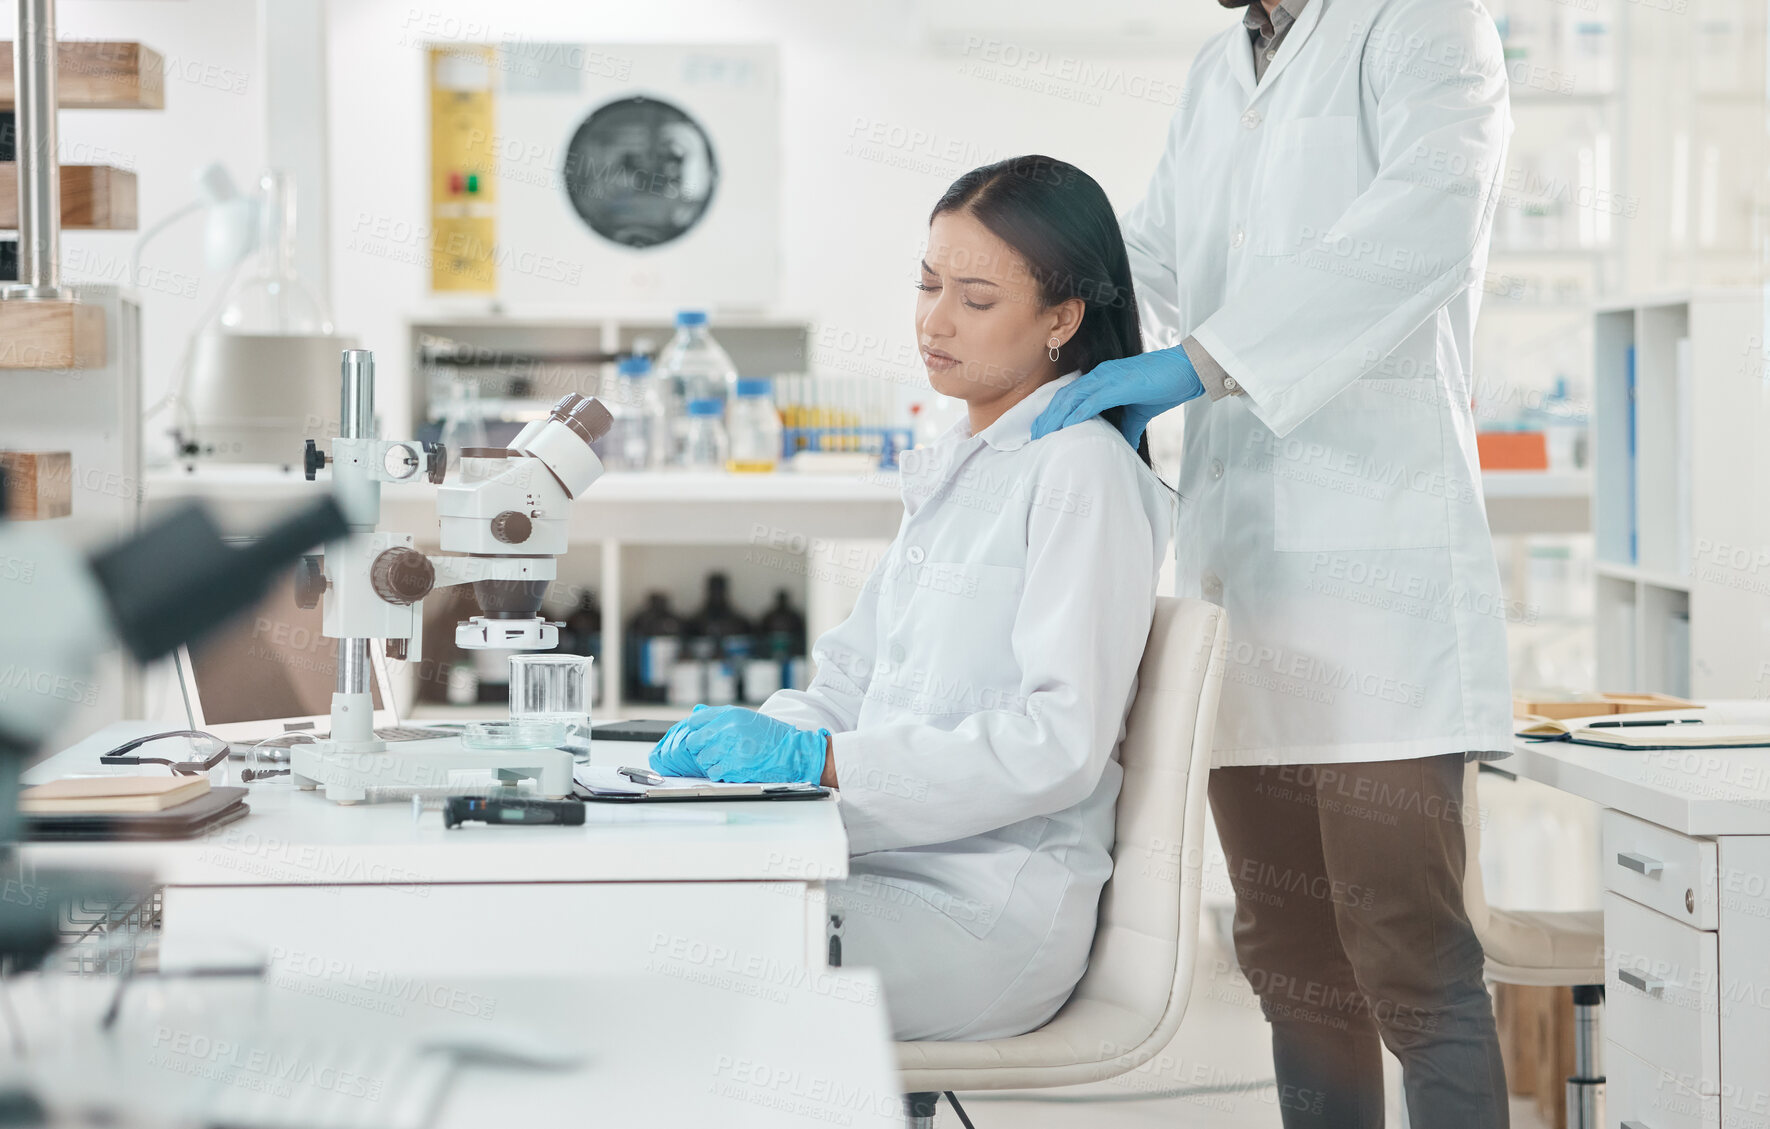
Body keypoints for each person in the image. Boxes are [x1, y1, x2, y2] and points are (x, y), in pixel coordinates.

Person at [1031, 0, 1514, 1124]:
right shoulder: (1219, 68)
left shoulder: (1424, 23)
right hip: (1246, 587)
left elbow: (1423, 221)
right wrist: (1037, 317)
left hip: (1378, 585)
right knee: (1289, 955)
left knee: (1408, 951)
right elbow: (1149, 253)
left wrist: (1201, 362)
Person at [651, 155, 1174, 1041]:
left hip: (982, 907)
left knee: (675, 971)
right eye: (928, 284)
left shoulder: (1080, 469)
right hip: (880, 859)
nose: (934, 320)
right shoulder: (963, 462)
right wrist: (753, 764)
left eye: (975, 299)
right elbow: (852, 675)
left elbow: (1060, 744)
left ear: (1062, 317)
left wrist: (820, 766)